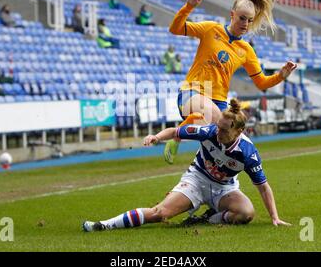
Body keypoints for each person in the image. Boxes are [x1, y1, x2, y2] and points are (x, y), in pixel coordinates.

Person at [82, 99, 291, 232]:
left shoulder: (247, 153)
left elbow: (263, 187)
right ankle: (105, 225)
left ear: (238, 132)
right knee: (160, 213)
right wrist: (156, 137)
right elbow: (175, 131)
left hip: (225, 189)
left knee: (245, 214)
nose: (218, 132)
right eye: (218, 127)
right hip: (197, 179)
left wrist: (275, 217)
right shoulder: (208, 132)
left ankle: (209, 218)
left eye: (225, 130)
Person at [163, 0, 297, 164]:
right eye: (242, 18)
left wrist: (281, 75)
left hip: (218, 101)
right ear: (232, 14)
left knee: (224, 152)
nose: (246, 24)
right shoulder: (211, 29)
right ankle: (175, 135)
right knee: (213, 114)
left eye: (250, 20)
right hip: (191, 92)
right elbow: (175, 29)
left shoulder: (246, 50)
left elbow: (261, 83)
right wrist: (189, 6)